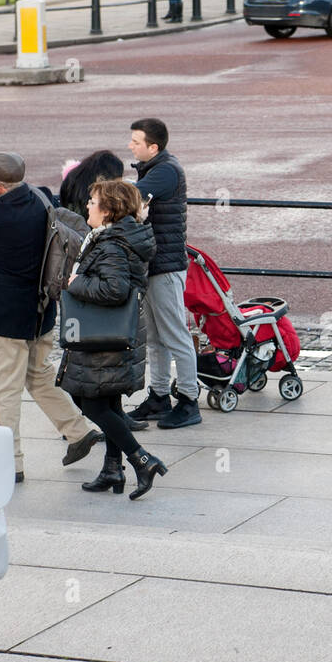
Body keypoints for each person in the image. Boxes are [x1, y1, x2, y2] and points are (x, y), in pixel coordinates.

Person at [0, 152, 103, 484]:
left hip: (5, 319)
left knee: (2, 391)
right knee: (39, 375)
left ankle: (8, 462)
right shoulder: (40, 197)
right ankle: (78, 431)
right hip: (40, 310)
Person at [58, 180, 167, 500]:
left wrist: (76, 283)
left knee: (89, 400)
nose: (87, 206)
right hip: (114, 335)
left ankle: (142, 460)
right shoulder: (117, 237)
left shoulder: (112, 245)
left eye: (92, 202)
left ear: (108, 210)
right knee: (107, 401)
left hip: (103, 337)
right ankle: (111, 468)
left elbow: (115, 289)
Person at [126, 119, 202, 430]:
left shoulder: (165, 170)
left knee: (175, 335)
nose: (130, 145)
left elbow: (131, 196)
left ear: (153, 147)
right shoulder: (153, 167)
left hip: (166, 267)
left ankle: (188, 399)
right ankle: (158, 396)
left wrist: (99, 189)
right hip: (154, 266)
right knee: (155, 337)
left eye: (135, 141)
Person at [59, 149, 125, 219]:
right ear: (102, 179)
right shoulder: (88, 195)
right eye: (116, 184)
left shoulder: (75, 177)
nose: (117, 188)